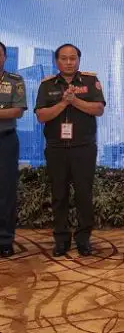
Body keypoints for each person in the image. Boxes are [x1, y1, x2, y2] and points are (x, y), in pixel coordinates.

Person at [35, 44, 105, 257]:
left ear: (78, 60)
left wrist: (75, 100)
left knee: (84, 194)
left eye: (72, 58)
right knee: (59, 195)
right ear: (57, 61)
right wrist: (63, 103)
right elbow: (41, 116)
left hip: (83, 148)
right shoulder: (47, 85)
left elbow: (98, 109)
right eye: (64, 58)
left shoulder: (90, 81)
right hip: (57, 148)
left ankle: (83, 239)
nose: (68, 62)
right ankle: (61, 239)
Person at [0, 42, 27, 258]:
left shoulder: (15, 80)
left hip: (5, 140)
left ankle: (5, 240)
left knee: (6, 192)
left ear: (5, 57)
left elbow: (17, 111)